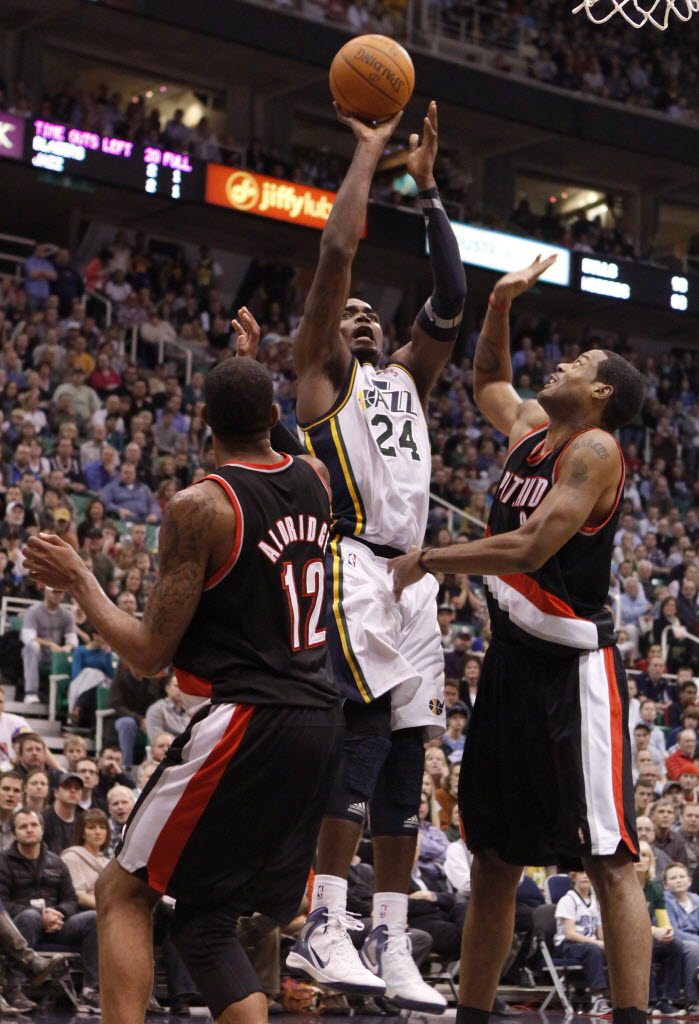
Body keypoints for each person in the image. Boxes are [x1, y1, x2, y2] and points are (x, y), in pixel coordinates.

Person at [22, 354, 342, 1024]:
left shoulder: (200, 506)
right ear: (275, 417)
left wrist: (81, 578)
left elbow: (145, 655)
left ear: (202, 424)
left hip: (250, 719)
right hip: (320, 721)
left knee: (121, 893)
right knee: (204, 921)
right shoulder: (314, 479)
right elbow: (270, 458)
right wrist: (247, 363)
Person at [389, 256, 649, 1024]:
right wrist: (497, 306)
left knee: (609, 858)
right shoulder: (533, 429)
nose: (560, 363)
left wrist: (430, 557)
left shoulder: (594, 450)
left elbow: (531, 547)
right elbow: (487, 385)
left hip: (573, 671)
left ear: (599, 393)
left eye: (577, 362)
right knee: (494, 856)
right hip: (509, 662)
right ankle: (470, 1015)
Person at [287, 100, 465, 1012]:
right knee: (358, 741)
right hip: (354, 567)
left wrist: (428, 192)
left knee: (408, 759)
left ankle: (390, 937)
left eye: (369, 316)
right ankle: (324, 923)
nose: (358, 317)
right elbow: (334, 259)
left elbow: (449, 298)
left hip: (416, 579)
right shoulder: (319, 380)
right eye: (346, 316)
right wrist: (365, 159)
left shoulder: (408, 376)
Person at [0, 808, 99, 1008]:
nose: (29, 830)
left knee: (93, 918)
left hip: (58, 924)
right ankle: (15, 989)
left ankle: (92, 989)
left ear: (42, 829)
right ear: (14, 832)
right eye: (23, 826)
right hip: (21, 924)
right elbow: (3, 903)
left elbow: (71, 899)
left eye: (34, 825)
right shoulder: (3, 861)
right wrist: (40, 914)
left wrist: (59, 913)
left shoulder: (57, 861)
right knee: (30, 917)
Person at [634, 841, 684, 1017]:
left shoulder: (654, 887)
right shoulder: (624, 885)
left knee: (675, 946)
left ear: (650, 862)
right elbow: (627, 923)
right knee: (644, 946)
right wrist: (654, 931)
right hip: (627, 939)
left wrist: (667, 931)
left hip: (647, 935)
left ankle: (666, 1000)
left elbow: (663, 918)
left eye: (645, 855)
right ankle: (649, 1002)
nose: (640, 859)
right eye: (637, 854)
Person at [554, 871, 610, 1014]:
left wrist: (610, 945)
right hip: (567, 945)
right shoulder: (568, 900)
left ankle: (619, 996)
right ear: (573, 877)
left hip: (589, 945)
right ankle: (597, 998)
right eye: (581, 873)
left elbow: (601, 933)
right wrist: (597, 943)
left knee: (615, 951)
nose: (586, 876)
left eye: (588, 873)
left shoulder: (596, 902)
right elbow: (570, 933)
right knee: (593, 949)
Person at [20, 586, 78, 704]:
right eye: (55, 592)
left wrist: (67, 647)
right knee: (32, 647)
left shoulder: (67, 615)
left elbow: (72, 639)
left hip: (55, 654)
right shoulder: (33, 611)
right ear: (46, 592)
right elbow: (27, 637)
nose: (58, 596)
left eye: (60, 593)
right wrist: (50, 643)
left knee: (74, 651)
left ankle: (67, 699)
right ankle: (31, 693)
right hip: (38, 654)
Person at [662, 862, 699, 1013]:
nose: (678, 880)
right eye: (673, 878)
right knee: (694, 948)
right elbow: (672, 930)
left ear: (689, 880)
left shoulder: (696, 899)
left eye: (682, 876)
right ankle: (693, 1000)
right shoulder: (664, 901)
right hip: (674, 942)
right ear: (665, 884)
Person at [42, 771, 84, 855]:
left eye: (77, 788)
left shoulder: (83, 821)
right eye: (67, 787)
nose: (73, 790)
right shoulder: (42, 820)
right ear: (56, 792)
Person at [144, 672, 189, 739]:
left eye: (182, 687)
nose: (180, 689)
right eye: (176, 686)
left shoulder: (190, 710)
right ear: (167, 688)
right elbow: (156, 739)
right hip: (167, 748)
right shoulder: (156, 709)